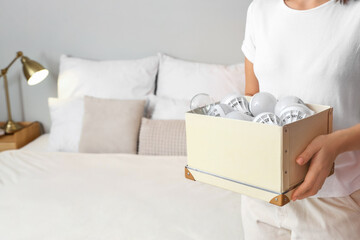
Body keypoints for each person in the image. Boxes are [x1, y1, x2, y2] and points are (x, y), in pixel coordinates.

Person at [241, 0, 360, 239]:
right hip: (260, 194)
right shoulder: (260, 10)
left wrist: (336, 144)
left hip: (333, 202)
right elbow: (252, 96)